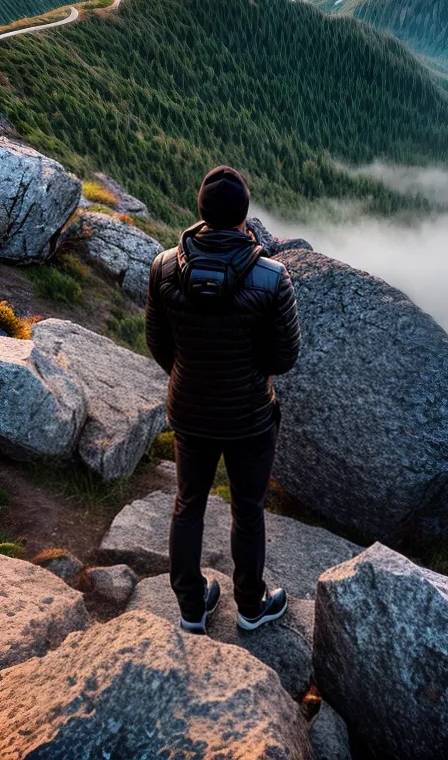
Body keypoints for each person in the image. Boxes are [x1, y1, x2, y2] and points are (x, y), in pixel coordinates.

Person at [145, 166, 301, 634]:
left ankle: (192, 606)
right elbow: (285, 356)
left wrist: (191, 375)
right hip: (250, 416)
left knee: (187, 503)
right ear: (244, 216)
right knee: (248, 509)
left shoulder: (164, 266)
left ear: (201, 212)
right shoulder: (273, 278)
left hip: (190, 410)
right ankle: (252, 606)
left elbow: (158, 342)